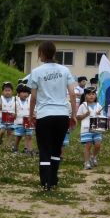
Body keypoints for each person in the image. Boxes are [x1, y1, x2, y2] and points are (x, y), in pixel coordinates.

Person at [27, 40, 76, 191]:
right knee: (56, 149)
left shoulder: (36, 72)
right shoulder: (64, 70)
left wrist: (30, 114)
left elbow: (33, 97)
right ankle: (53, 180)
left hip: (44, 115)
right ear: (54, 53)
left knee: (44, 149)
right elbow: (73, 94)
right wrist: (73, 114)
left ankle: (45, 182)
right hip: (62, 115)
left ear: (41, 53)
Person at [76, 86, 106, 170]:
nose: (91, 96)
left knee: (98, 145)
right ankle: (86, 162)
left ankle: (93, 157)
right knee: (88, 146)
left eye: (93, 94)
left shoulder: (99, 106)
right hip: (86, 128)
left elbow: (102, 117)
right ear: (85, 95)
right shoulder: (83, 105)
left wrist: (99, 114)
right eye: (89, 94)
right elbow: (78, 117)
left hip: (97, 128)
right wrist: (85, 114)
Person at [0, 81, 18, 146]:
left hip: (11, 118)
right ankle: (0, 139)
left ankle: (8, 145)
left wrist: (15, 114)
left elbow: (17, 108)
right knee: (2, 130)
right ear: (2, 92)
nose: (7, 92)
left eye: (9, 90)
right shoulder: (0, 99)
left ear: (12, 91)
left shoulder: (15, 99)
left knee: (10, 132)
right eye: (5, 90)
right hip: (2, 117)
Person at [13, 83, 34, 154]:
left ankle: (30, 150)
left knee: (29, 136)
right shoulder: (15, 102)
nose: (26, 94)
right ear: (18, 94)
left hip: (28, 121)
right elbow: (12, 111)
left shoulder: (30, 101)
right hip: (19, 122)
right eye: (23, 92)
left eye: (27, 92)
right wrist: (13, 114)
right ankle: (15, 148)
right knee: (19, 136)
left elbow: (32, 109)